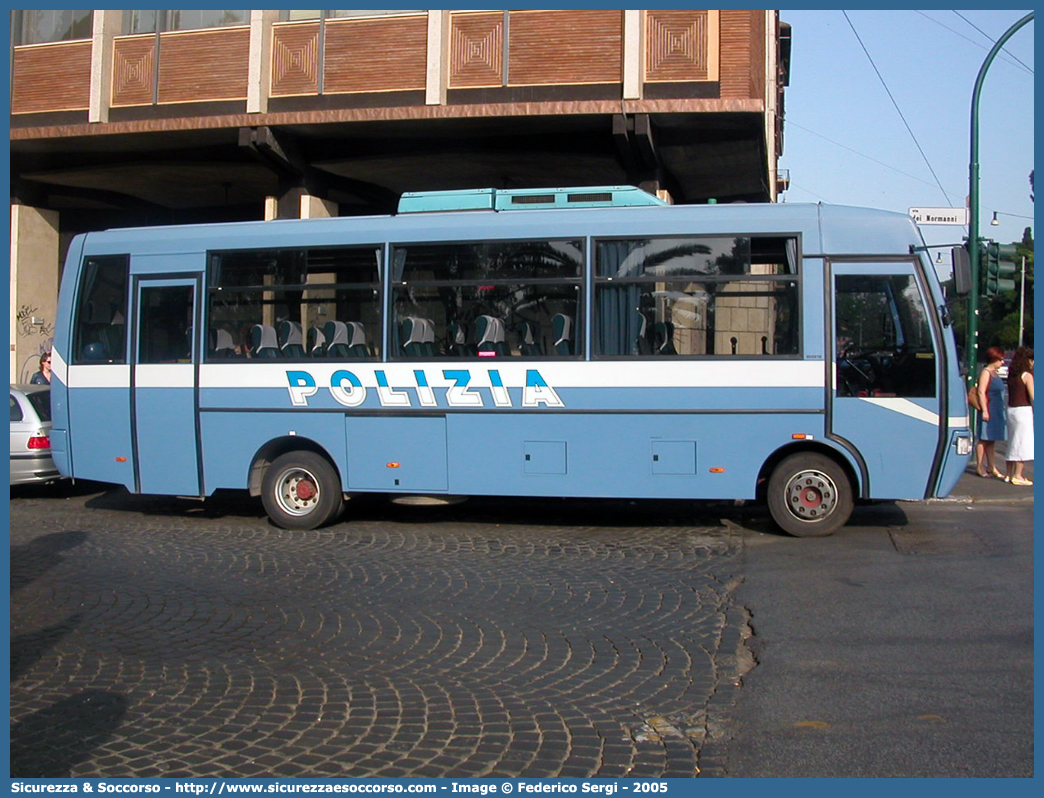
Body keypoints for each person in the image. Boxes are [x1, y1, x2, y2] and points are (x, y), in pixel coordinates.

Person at [974, 346, 1007, 478]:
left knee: (991, 439)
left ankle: (991, 466)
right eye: (1001, 359)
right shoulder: (986, 372)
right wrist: (985, 410)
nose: (1003, 362)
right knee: (984, 439)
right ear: (994, 359)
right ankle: (980, 466)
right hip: (989, 408)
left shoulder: (995, 373)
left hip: (997, 409)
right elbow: (981, 392)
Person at [1005, 346, 1034, 486]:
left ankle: (1009, 473)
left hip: (1011, 410)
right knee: (1022, 442)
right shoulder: (1027, 375)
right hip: (1023, 411)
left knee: (1012, 441)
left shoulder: (1012, 375)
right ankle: (1018, 475)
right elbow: (1033, 396)